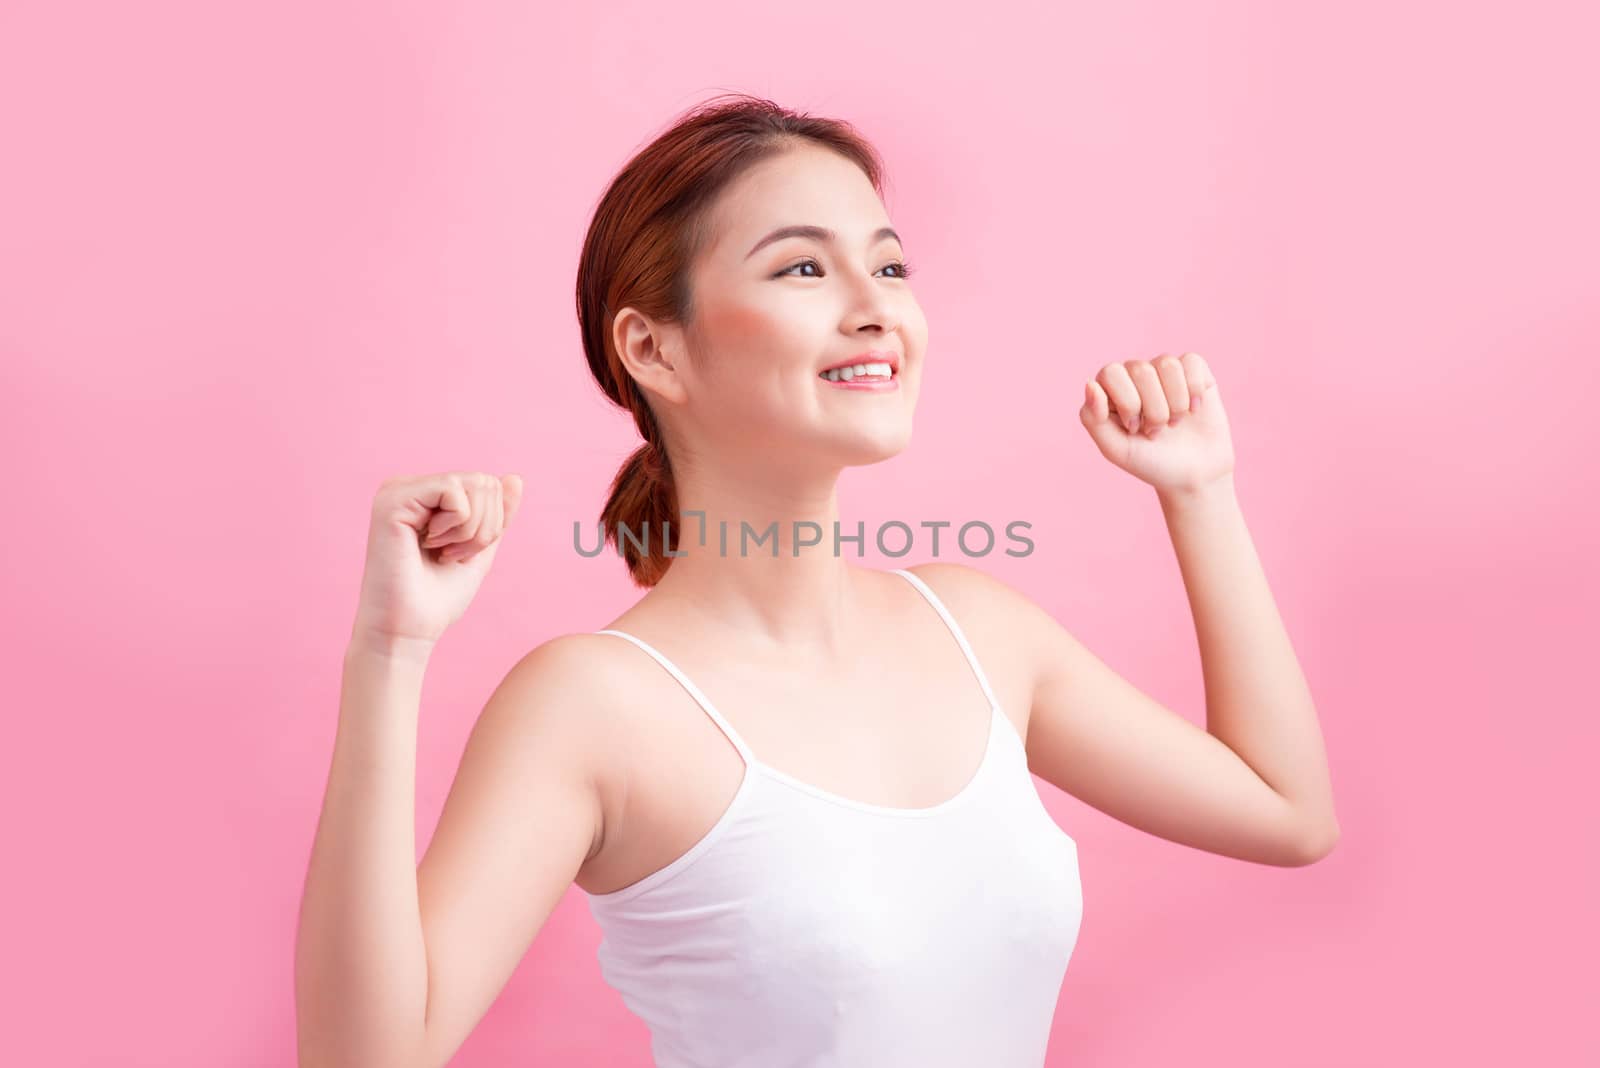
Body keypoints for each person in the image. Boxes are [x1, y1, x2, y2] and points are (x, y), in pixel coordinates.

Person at [295, 94, 1340, 1068]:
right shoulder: (592, 705)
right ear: (652, 348)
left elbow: (1286, 814)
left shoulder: (981, 634)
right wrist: (389, 653)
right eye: (803, 270)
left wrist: (1199, 493)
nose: (872, 308)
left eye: (887, 268)